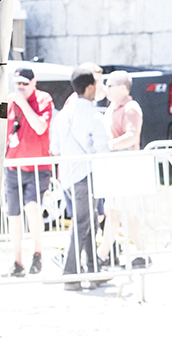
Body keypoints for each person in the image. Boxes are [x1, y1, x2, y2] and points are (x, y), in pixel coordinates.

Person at [56, 64, 112, 291]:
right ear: (89, 87)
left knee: (86, 221)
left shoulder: (63, 114)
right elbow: (102, 149)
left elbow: (54, 147)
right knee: (82, 223)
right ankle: (70, 273)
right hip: (85, 174)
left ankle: (93, 269)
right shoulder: (92, 115)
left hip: (66, 173)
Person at [3, 67, 55, 277]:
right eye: (18, 84)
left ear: (34, 83)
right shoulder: (8, 101)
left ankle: (37, 253)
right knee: (13, 215)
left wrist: (23, 103)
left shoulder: (44, 99)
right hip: (13, 165)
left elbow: (40, 127)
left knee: (32, 208)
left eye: (25, 83)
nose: (21, 87)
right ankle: (17, 261)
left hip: (37, 166)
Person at [98, 69, 150, 270]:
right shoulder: (113, 108)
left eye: (109, 85)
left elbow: (132, 136)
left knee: (117, 212)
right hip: (116, 166)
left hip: (125, 166)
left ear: (122, 87)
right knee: (125, 212)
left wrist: (109, 146)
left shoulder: (130, 108)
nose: (106, 89)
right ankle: (141, 253)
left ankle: (101, 256)